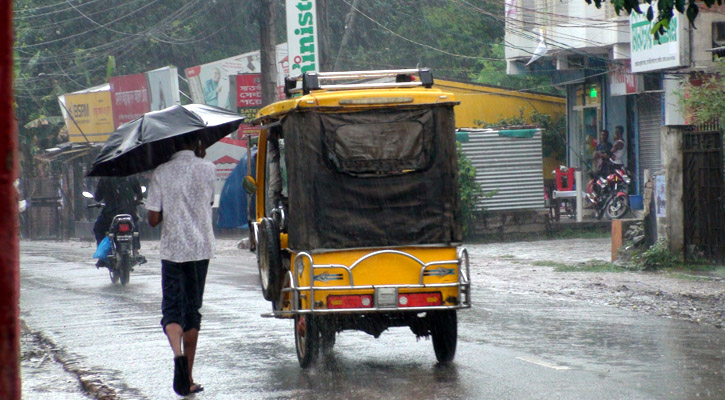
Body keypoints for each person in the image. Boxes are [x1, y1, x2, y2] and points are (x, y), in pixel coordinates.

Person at [146, 138, 215, 396]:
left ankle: (177, 356)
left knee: (172, 310)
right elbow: (206, 204)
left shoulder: (162, 172)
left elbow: (153, 219)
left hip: (173, 250)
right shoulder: (208, 168)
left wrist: (169, 209)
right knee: (192, 311)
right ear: (196, 141)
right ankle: (188, 376)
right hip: (200, 248)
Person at [92, 176, 144, 265]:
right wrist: (135, 201)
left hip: (110, 215)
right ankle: (135, 251)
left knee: (98, 228)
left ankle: (102, 254)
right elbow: (140, 195)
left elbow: (97, 198)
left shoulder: (105, 178)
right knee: (135, 227)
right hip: (129, 213)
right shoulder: (131, 177)